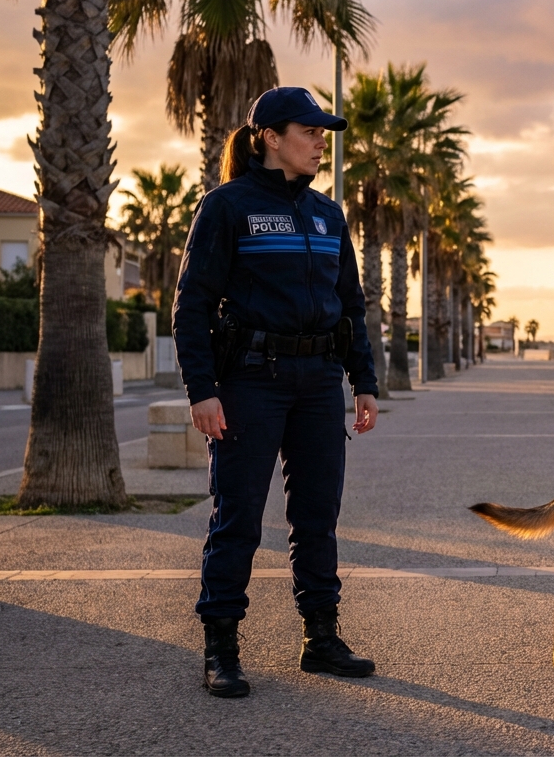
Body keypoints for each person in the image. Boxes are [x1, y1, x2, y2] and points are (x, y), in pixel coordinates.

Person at [173, 86, 381, 698]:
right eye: (310, 130)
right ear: (269, 136)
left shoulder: (327, 214)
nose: (322, 141)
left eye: (324, 132)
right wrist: (203, 389)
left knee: (317, 516)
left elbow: (351, 305)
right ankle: (221, 648)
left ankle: (321, 638)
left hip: (318, 384)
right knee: (237, 516)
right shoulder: (226, 207)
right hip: (250, 382)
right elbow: (192, 303)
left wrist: (363, 380)